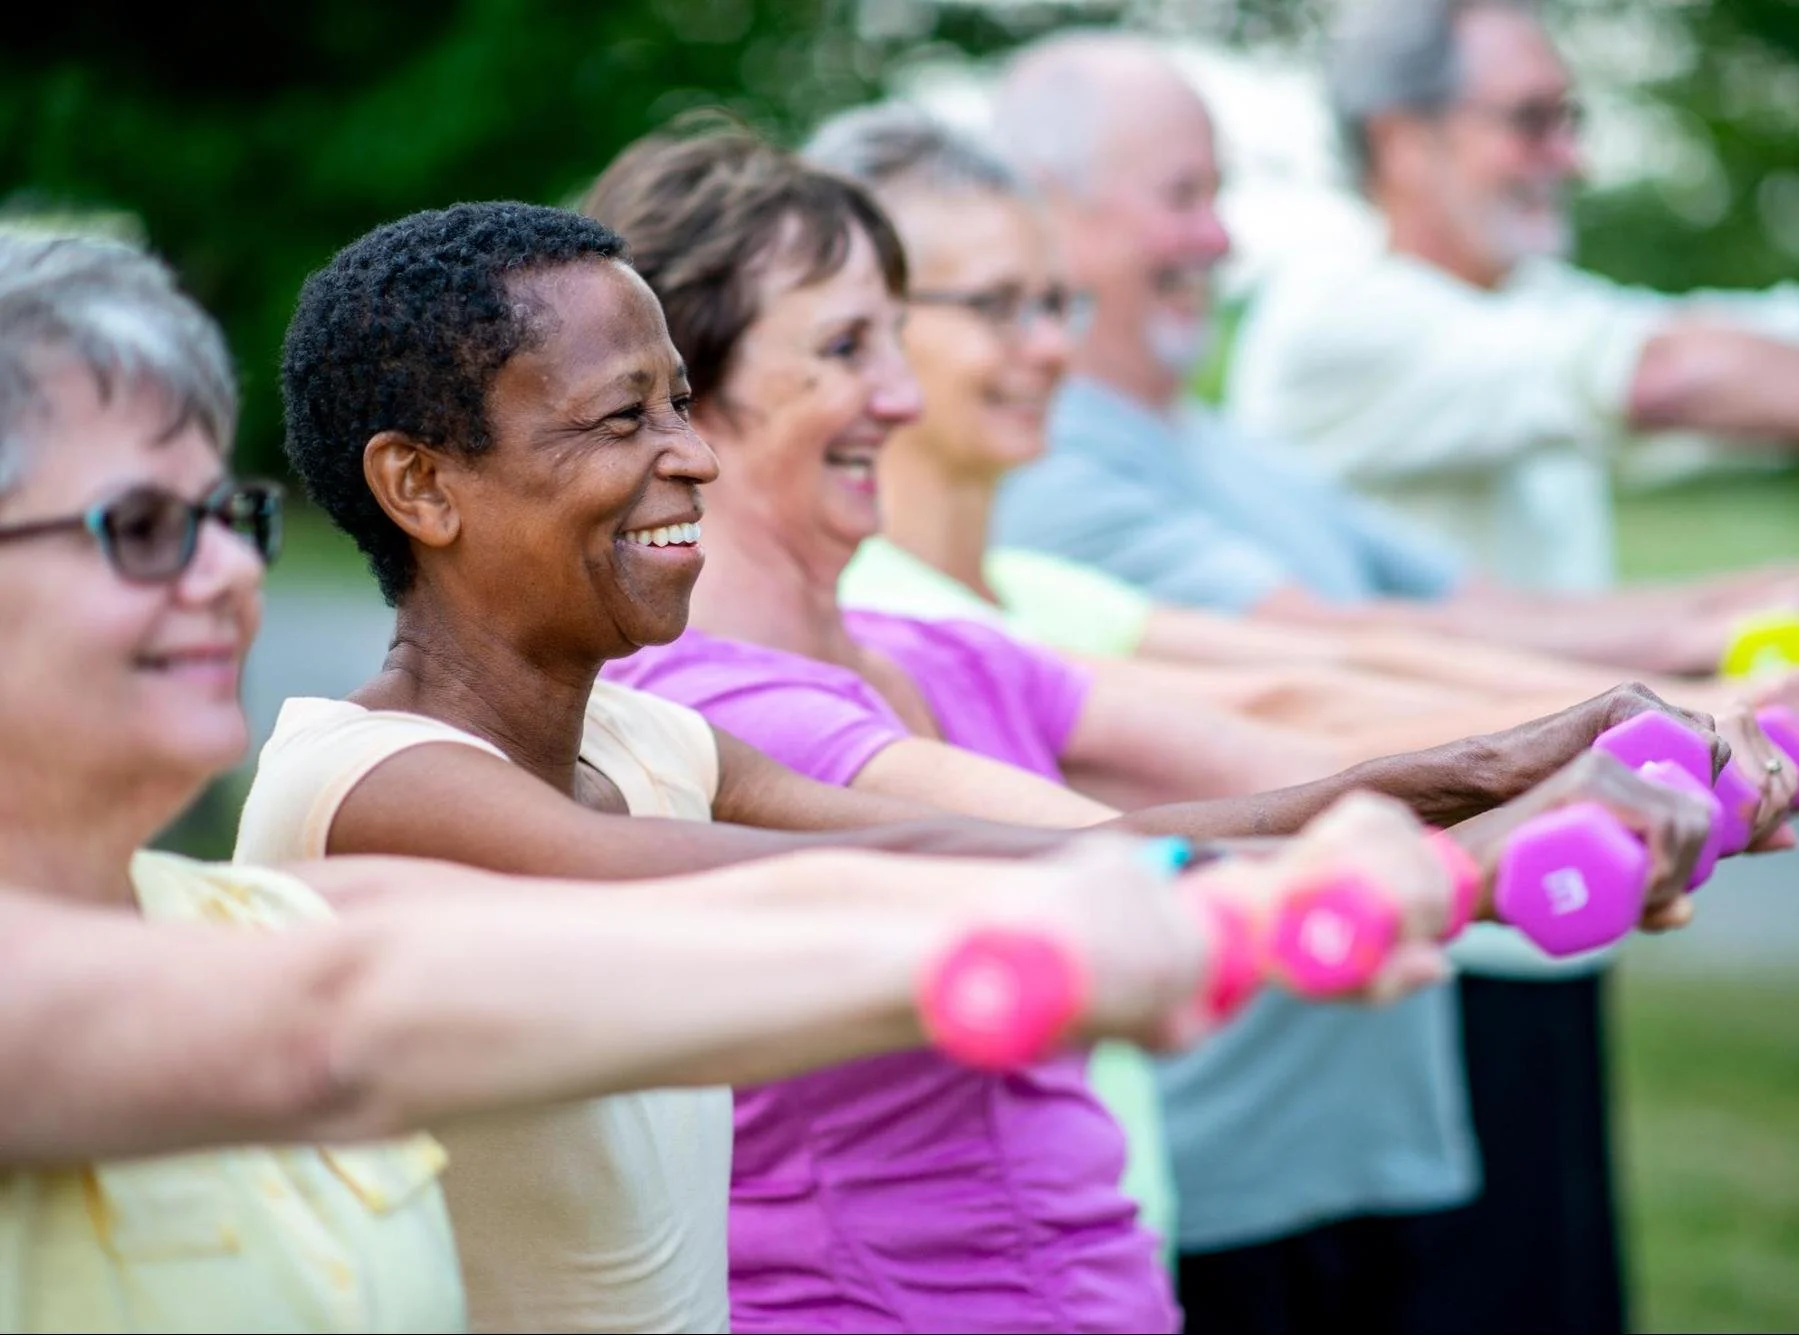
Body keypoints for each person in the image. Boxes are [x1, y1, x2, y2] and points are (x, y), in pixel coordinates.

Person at [251, 197, 1622, 1334]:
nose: (691, 455)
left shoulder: (641, 735)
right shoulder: (380, 782)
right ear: (421, 485)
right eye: (622, 419)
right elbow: (810, 881)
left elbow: (993, 838)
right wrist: (1273, 882)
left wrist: (1468, 779)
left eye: (681, 402)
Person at [0, 228, 1277, 1332]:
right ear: (422, 486)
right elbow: (370, 1012)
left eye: (229, 518)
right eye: (144, 529)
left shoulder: (268, 918)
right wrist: (1111, 907)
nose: (228, 572)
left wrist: (1416, 803)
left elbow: (914, 855)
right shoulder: (369, 808)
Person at [580, 126, 1739, 1334]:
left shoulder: (941, 651)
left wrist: (1575, 752)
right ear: (684, 400)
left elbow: (1290, 752)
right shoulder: (710, 702)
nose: (903, 395)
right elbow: (1115, 862)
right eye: (844, 349)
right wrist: (1485, 861)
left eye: (893, 337)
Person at [979, 32, 1799, 1334]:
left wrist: (1731, 627)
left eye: (1219, 191)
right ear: (1042, 214)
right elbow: (1317, 667)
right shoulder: (1047, 481)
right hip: (1222, 1161)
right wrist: (1665, 709)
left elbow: (1471, 616)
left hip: (1379, 1125)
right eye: (1180, 194)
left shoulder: (1220, 444)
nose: (1218, 237)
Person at [803, 100, 1799, 779]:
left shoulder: (1032, 580)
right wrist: (1665, 716)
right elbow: (1278, 703)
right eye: (998, 307)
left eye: (1055, 305)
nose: (1048, 348)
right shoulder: (882, 613)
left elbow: (1353, 653)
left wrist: (1694, 693)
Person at [1228, 0, 1799, 595]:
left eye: (1570, 119)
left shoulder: (1526, 301)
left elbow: (1786, 334)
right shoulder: (1334, 314)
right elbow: (1668, 376)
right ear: (1402, 142)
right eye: (1530, 121)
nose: (1572, 158)